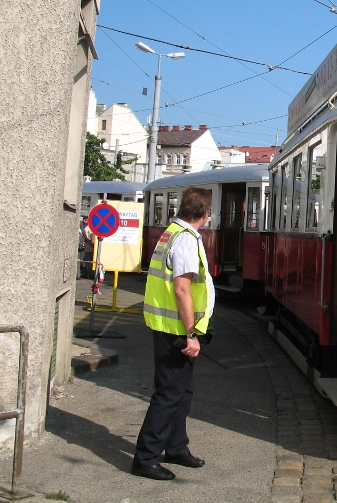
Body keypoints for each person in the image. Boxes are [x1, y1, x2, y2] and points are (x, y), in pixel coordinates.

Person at [132, 186, 214, 481]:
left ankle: (176, 447)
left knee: (181, 392)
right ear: (205, 213)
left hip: (168, 327)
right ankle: (145, 457)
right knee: (168, 395)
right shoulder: (186, 241)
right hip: (176, 331)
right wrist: (191, 333)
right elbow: (182, 288)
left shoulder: (171, 233)